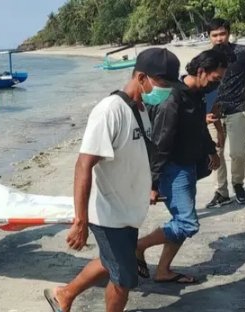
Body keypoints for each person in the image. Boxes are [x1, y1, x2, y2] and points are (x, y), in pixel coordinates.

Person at [44, 48, 178, 312]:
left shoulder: (141, 109)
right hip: (107, 213)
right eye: (163, 84)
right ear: (141, 77)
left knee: (111, 261)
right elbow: (84, 164)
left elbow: (136, 156)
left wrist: (149, 188)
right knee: (124, 276)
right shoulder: (109, 111)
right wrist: (80, 221)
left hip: (127, 211)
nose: (167, 91)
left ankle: (64, 294)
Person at [135, 50, 228, 284]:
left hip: (187, 167)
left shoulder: (196, 94)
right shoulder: (173, 98)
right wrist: (153, 183)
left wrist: (210, 150)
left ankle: (163, 270)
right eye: (215, 79)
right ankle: (138, 247)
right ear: (201, 71)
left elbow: (197, 126)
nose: (216, 84)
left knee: (180, 220)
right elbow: (161, 142)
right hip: (172, 169)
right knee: (187, 223)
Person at [205, 18, 245, 208]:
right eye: (214, 35)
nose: (218, 39)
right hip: (214, 112)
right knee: (216, 152)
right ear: (209, 37)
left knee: (238, 153)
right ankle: (221, 191)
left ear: (228, 34)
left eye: (222, 34)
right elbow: (201, 84)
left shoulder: (242, 52)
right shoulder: (206, 57)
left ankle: (238, 184)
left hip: (238, 109)